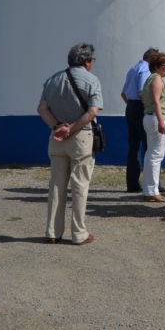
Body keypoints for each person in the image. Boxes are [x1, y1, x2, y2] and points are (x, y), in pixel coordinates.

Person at [37, 42, 103, 245]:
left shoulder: (52, 80)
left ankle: (52, 232)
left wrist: (58, 127)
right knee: (80, 185)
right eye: (91, 60)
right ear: (86, 61)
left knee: (56, 186)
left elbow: (41, 108)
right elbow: (92, 111)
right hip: (81, 137)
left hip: (57, 140)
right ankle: (78, 233)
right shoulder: (92, 80)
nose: (92, 63)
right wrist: (72, 128)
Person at [120, 46, 158, 193]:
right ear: (151, 59)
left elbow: (123, 93)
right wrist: (147, 108)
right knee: (150, 146)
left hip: (130, 107)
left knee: (133, 147)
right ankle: (153, 183)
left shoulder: (133, 69)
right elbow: (143, 92)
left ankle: (132, 183)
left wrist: (131, 106)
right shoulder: (146, 70)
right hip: (141, 108)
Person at [141, 51, 165, 203]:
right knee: (156, 156)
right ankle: (153, 191)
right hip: (156, 119)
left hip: (150, 118)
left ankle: (148, 190)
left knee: (151, 155)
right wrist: (161, 120)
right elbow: (156, 101)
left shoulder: (150, 79)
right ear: (156, 67)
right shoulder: (156, 79)